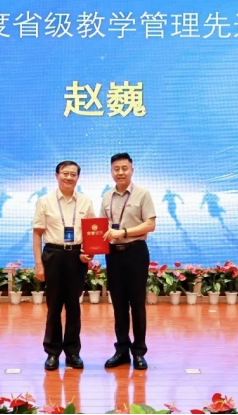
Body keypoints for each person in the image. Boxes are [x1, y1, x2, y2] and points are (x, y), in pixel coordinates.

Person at [33, 161, 94, 371]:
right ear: (56, 175)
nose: (69, 177)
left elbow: (91, 232)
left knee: (74, 306)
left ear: (78, 177)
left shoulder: (85, 202)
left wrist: (89, 253)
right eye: (65, 173)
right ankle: (52, 352)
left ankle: (73, 352)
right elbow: (37, 234)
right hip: (53, 255)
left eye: (73, 174)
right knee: (54, 307)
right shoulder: (44, 201)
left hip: (76, 257)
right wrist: (38, 264)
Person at [101, 153, 156, 370]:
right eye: (116, 169)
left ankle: (139, 352)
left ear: (132, 170)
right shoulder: (107, 197)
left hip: (135, 252)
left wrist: (123, 232)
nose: (120, 172)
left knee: (137, 304)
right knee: (119, 304)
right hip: (113, 255)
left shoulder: (143, 194)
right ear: (111, 171)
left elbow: (150, 225)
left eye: (124, 168)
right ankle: (122, 350)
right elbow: (101, 227)